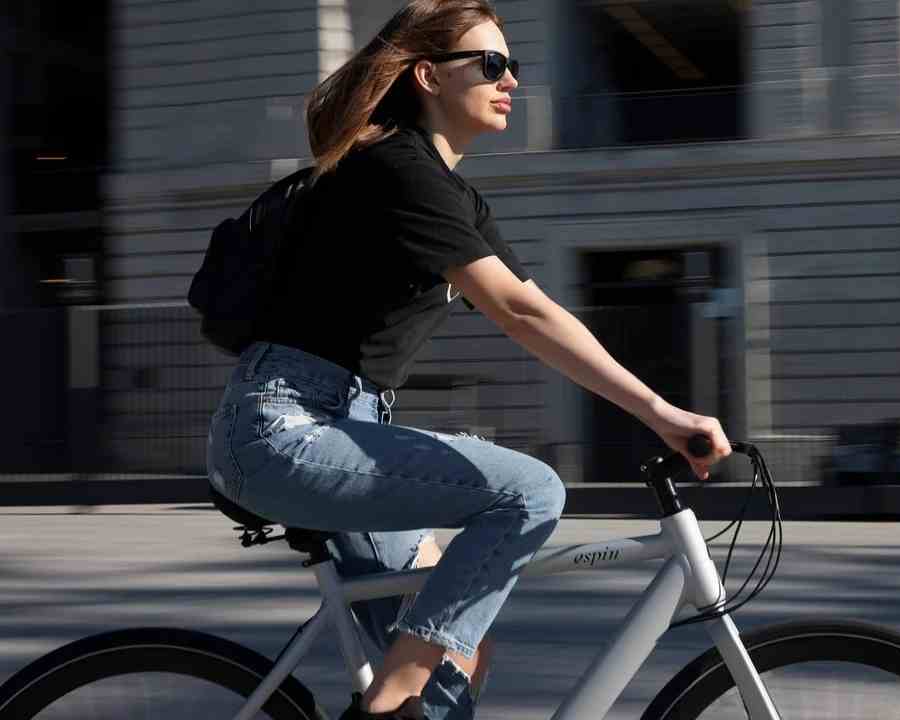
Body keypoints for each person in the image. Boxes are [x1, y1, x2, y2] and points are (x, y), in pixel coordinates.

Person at [204, 2, 732, 719]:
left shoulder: (449, 194)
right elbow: (521, 317)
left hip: (338, 424)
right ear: (428, 76)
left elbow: (544, 312)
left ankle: (403, 698)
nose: (509, 78)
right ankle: (386, 707)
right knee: (531, 493)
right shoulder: (394, 167)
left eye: (513, 64)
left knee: (456, 663)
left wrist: (653, 410)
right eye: (490, 64)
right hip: (287, 428)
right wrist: (661, 413)